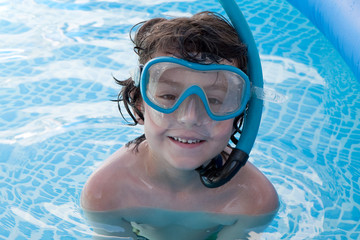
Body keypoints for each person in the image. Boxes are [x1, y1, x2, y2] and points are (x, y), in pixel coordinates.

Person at [81, 11, 279, 240]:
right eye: (168, 96)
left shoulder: (253, 200)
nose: (190, 117)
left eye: (215, 100)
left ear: (240, 115)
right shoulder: (107, 192)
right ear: (139, 105)